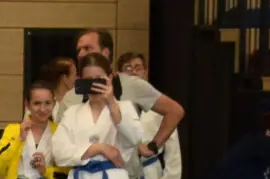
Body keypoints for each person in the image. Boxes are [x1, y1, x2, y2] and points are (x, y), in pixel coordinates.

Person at [50, 54, 143, 179]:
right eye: (88, 80)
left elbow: (134, 138)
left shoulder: (124, 108)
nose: (94, 85)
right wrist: (98, 148)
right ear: (80, 81)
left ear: (110, 78)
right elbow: (59, 153)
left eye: (99, 79)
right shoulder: (72, 113)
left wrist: (111, 104)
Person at [60, 29, 183, 159]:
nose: (81, 54)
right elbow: (62, 142)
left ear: (105, 52)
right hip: (83, 173)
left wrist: (152, 146)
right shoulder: (70, 97)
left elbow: (175, 111)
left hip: (126, 173)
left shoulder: (133, 85)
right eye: (79, 50)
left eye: (87, 48)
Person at [123, 53, 182, 179]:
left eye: (138, 67)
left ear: (146, 72)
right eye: (127, 68)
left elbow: (172, 141)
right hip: (125, 169)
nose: (133, 71)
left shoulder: (158, 105)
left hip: (149, 171)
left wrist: (169, 177)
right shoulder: (120, 104)